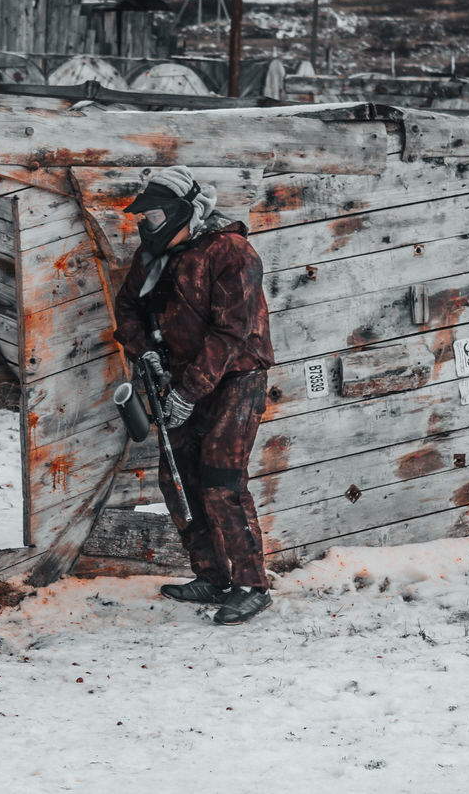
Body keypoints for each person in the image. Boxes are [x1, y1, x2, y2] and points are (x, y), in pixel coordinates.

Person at [112, 166, 276, 626]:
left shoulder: (231, 252)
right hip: (181, 377)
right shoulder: (152, 257)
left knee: (222, 479)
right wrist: (147, 355)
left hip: (237, 378)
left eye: (156, 215)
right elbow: (127, 307)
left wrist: (187, 391)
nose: (148, 225)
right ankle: (213, 576)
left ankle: (251, 584)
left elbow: (231, 333)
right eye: (144, 218)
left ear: (187, 212)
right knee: (178, 477)